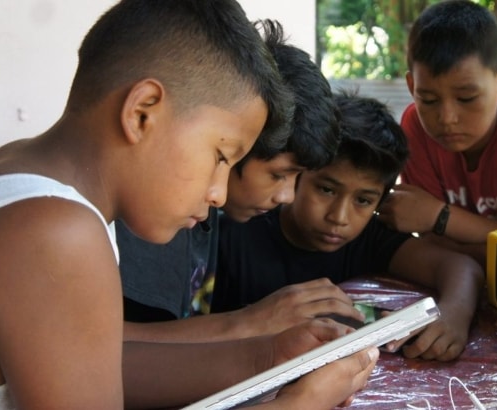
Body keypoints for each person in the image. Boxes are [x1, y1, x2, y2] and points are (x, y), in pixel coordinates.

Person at [0, 1, 376, 409]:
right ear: (143, 113)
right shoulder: (56, 233)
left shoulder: (20, 172)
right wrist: (298, 404)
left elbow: (96, 362)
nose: (218, 193)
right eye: (221, 156)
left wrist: (268, 356)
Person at [212, 91, 485, 361]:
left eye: (363, 200)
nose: (339, 217)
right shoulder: (236, 233)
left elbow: (461, 267)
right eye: (327, 190)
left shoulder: (369, 238)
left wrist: (452, 315)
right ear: (297, 174)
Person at [117, 18, 349, 329]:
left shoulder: (208, 211)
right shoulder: (164, 213)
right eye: (279, 174)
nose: (287, 196)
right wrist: (249, 324)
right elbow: (121, 353)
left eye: (298, 178)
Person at [377, 0, 497, 264]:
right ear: (412, 86)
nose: (447, 118)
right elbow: (429, 240)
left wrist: (440, 216)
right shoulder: (415, 126)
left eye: (467, 98)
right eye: (429, 99)